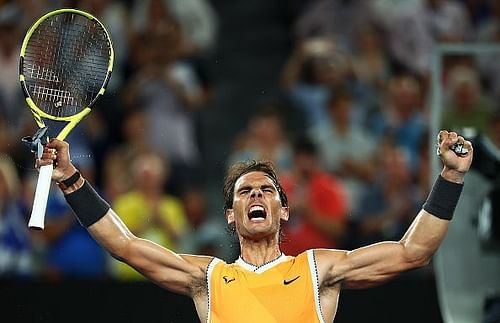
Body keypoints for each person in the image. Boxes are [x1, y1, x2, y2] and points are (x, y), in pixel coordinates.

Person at [37, 130, 472, 322]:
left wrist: (451, 177)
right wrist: (72, 179)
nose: (257, 195)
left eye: (267, 190)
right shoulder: (209, 279)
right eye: (244, 192)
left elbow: (412, 252)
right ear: (230, 215)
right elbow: (126, 246)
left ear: (284, 211)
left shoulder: (317, 271)